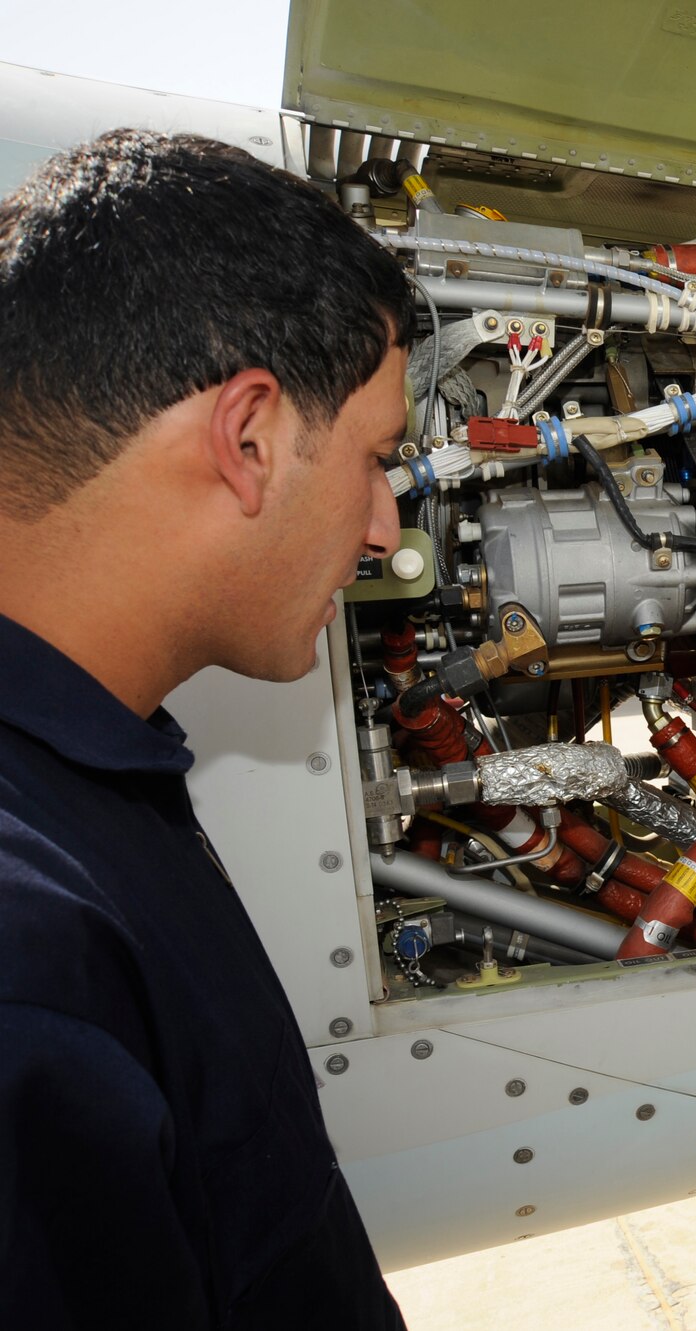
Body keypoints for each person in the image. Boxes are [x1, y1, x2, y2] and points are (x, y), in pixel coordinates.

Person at [0, 130, 411, 1327]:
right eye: (377, 460)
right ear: (246, 439)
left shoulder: (84, 789)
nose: (386, 529)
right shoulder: (31, 968)